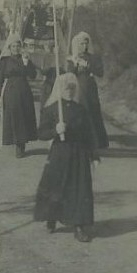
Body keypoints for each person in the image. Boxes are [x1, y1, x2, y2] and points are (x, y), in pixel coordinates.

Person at [33, 73, 101, 242]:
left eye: (72, 88)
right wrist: (55, 130)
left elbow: (89, 135)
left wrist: (94, 155)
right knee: (56, 187)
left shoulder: (81, 110)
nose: (69, 91)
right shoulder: (52, 109)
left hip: (79, 155)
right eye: (66, 88)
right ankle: (51, 217)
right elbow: (41, 133)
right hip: (59, 154)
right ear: (59, 89)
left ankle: (79, 226)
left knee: (79, 190)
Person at [0, 34, 39, 157]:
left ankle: (21, 145)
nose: (15, 48)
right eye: (13, 46)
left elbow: (33, 75)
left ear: (21, 47)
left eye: (18, 46)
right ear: (9, 47)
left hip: (24, 90)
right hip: (11, 90)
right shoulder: (4, 61)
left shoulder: (25, 59)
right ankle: (15, 141)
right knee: (14, 115)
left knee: (24, 116)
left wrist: (26, 62)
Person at [65, 32, 109, 149]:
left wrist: (88, 65)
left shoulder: (93, 58)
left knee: (92, 112)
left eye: (86, 43)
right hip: (77, 88)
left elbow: (100, 72)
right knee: (79, 113)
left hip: (89, 88)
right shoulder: (72, 58)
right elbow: (69, 75)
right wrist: (74, 64)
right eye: (81, 44)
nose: (84, 46)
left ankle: (96, 142)